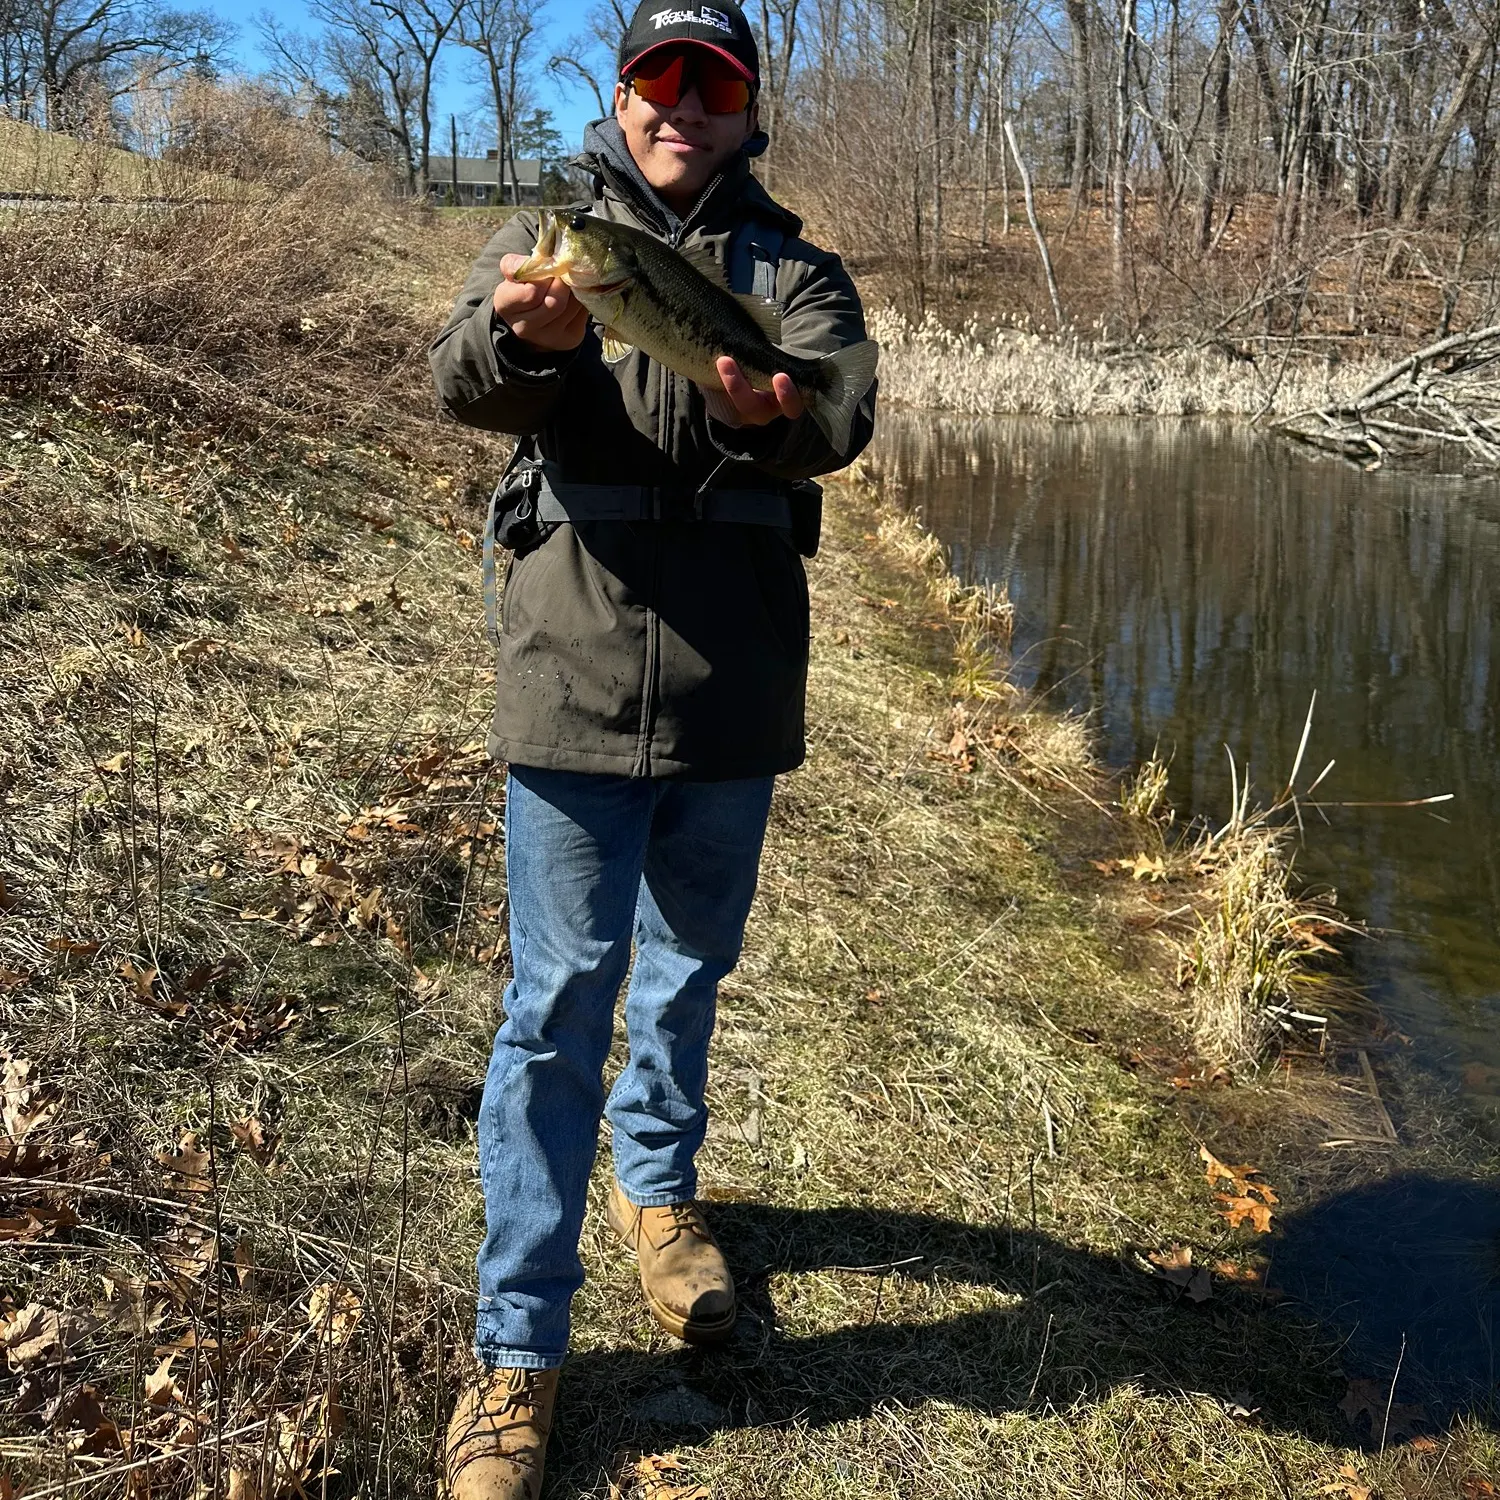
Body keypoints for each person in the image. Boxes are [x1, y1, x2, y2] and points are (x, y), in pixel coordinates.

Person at [428, 2, 876, 1493]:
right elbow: (457, 382)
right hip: (569, 670)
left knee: (688, 971)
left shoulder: (798, 272)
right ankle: (515, 1359)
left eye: (714, 81)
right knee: (558, 1004)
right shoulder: (550, 241)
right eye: (656, 80)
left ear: (749, 111)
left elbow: (841, 413)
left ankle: (662, 1198)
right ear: (620, 101)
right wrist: (521, 336)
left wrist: (766, 413)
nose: (682, 104)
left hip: (734, 688)